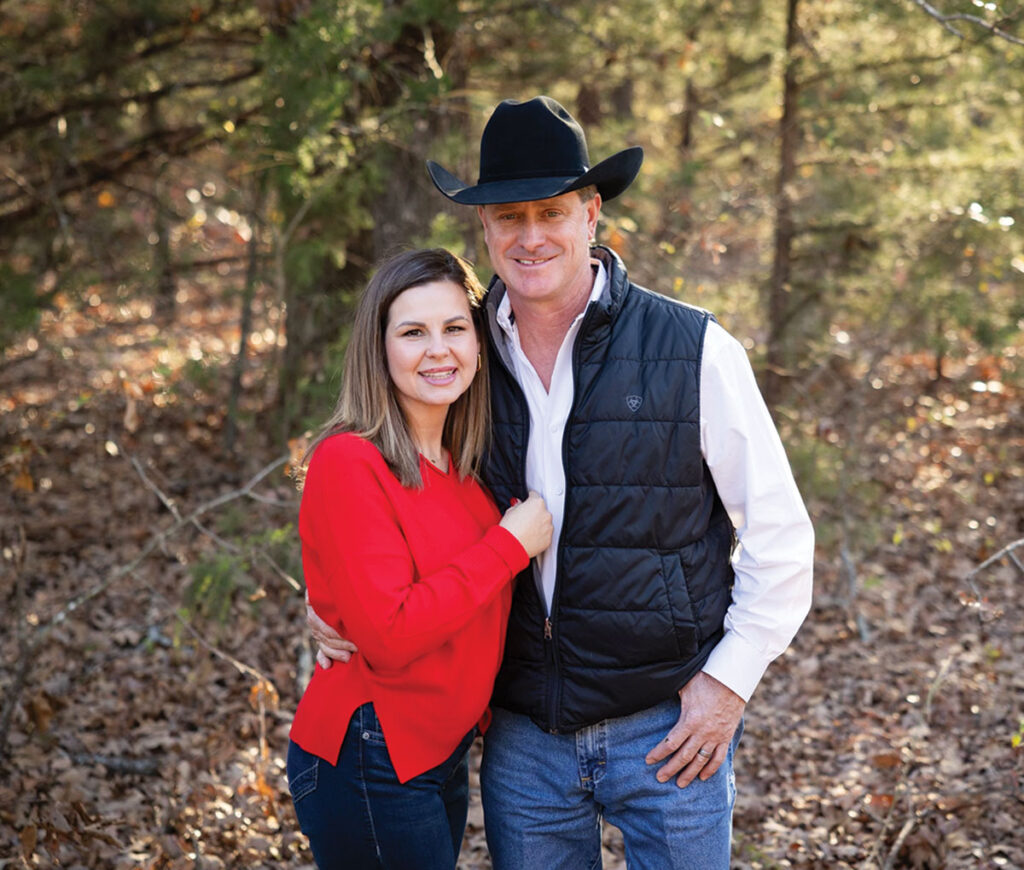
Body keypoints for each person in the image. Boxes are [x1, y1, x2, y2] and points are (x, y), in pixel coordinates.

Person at [310, 97, 814, 869]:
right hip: (522, 738)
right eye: (508, 216)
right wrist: (328, 607)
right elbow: (382, 495)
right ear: (484, 229)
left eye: (552, 212)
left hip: (667, 725)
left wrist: (728, 686)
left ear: (591, 214)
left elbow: (780, 536)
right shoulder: (458, 353)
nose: (531, 236)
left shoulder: (692, 349)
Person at [288, 247, 553, 870]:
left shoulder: (468, 471)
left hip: (439, 750)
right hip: (369, 755)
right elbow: (390, 633)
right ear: (378, 349)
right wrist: (508, 547)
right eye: (413, 332)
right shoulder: (349, 460)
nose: (439, 349)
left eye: (455, 328)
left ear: (479, 344)